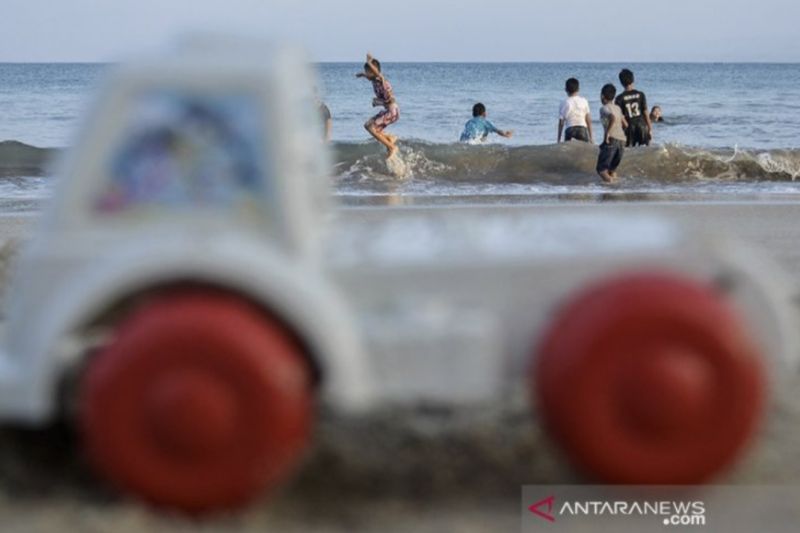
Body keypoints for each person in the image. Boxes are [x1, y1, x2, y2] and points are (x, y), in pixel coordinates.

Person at [356, 53, 400, 158]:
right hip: (389, 111)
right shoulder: (374, 80)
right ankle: (390, 138)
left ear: (373, 71)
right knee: (367, 125)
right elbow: (370, 76)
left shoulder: (381, 79)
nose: (367, 73)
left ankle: (391, 147)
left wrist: (369, 62)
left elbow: (377, 73)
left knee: (372, 128)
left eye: (368, 71)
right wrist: (362, 75)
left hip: (392, 112)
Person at [597, 84, 628, 183]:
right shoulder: (617, 108)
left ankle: (611, 185)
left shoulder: (604, 108)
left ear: (602, 96)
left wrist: (607, 133)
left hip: (612, 139)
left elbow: (612, 118)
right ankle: (615, 190)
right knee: (612, 170)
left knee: (601, 170)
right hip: (622, 141)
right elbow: (625, 124)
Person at [614, 69, 653, 147]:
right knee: (644, 149)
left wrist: (624, 128)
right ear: (633, 80)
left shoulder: (619, 98)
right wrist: (650, 128)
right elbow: (645, 113)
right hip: (642, 125)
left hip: (630, 126)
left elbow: (620, 116)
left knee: (629, 151)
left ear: (621, 83)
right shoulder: (641, 94)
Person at [558, 78, 593, 143]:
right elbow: (588, 120)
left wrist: (559, 139)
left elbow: (561, 122)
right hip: (582, 128)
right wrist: (591, 137)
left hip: (570, 129)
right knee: (584, 149)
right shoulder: (584, 101)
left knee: (568, 150)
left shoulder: (564, 102)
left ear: (566, 90)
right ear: (578, 89)